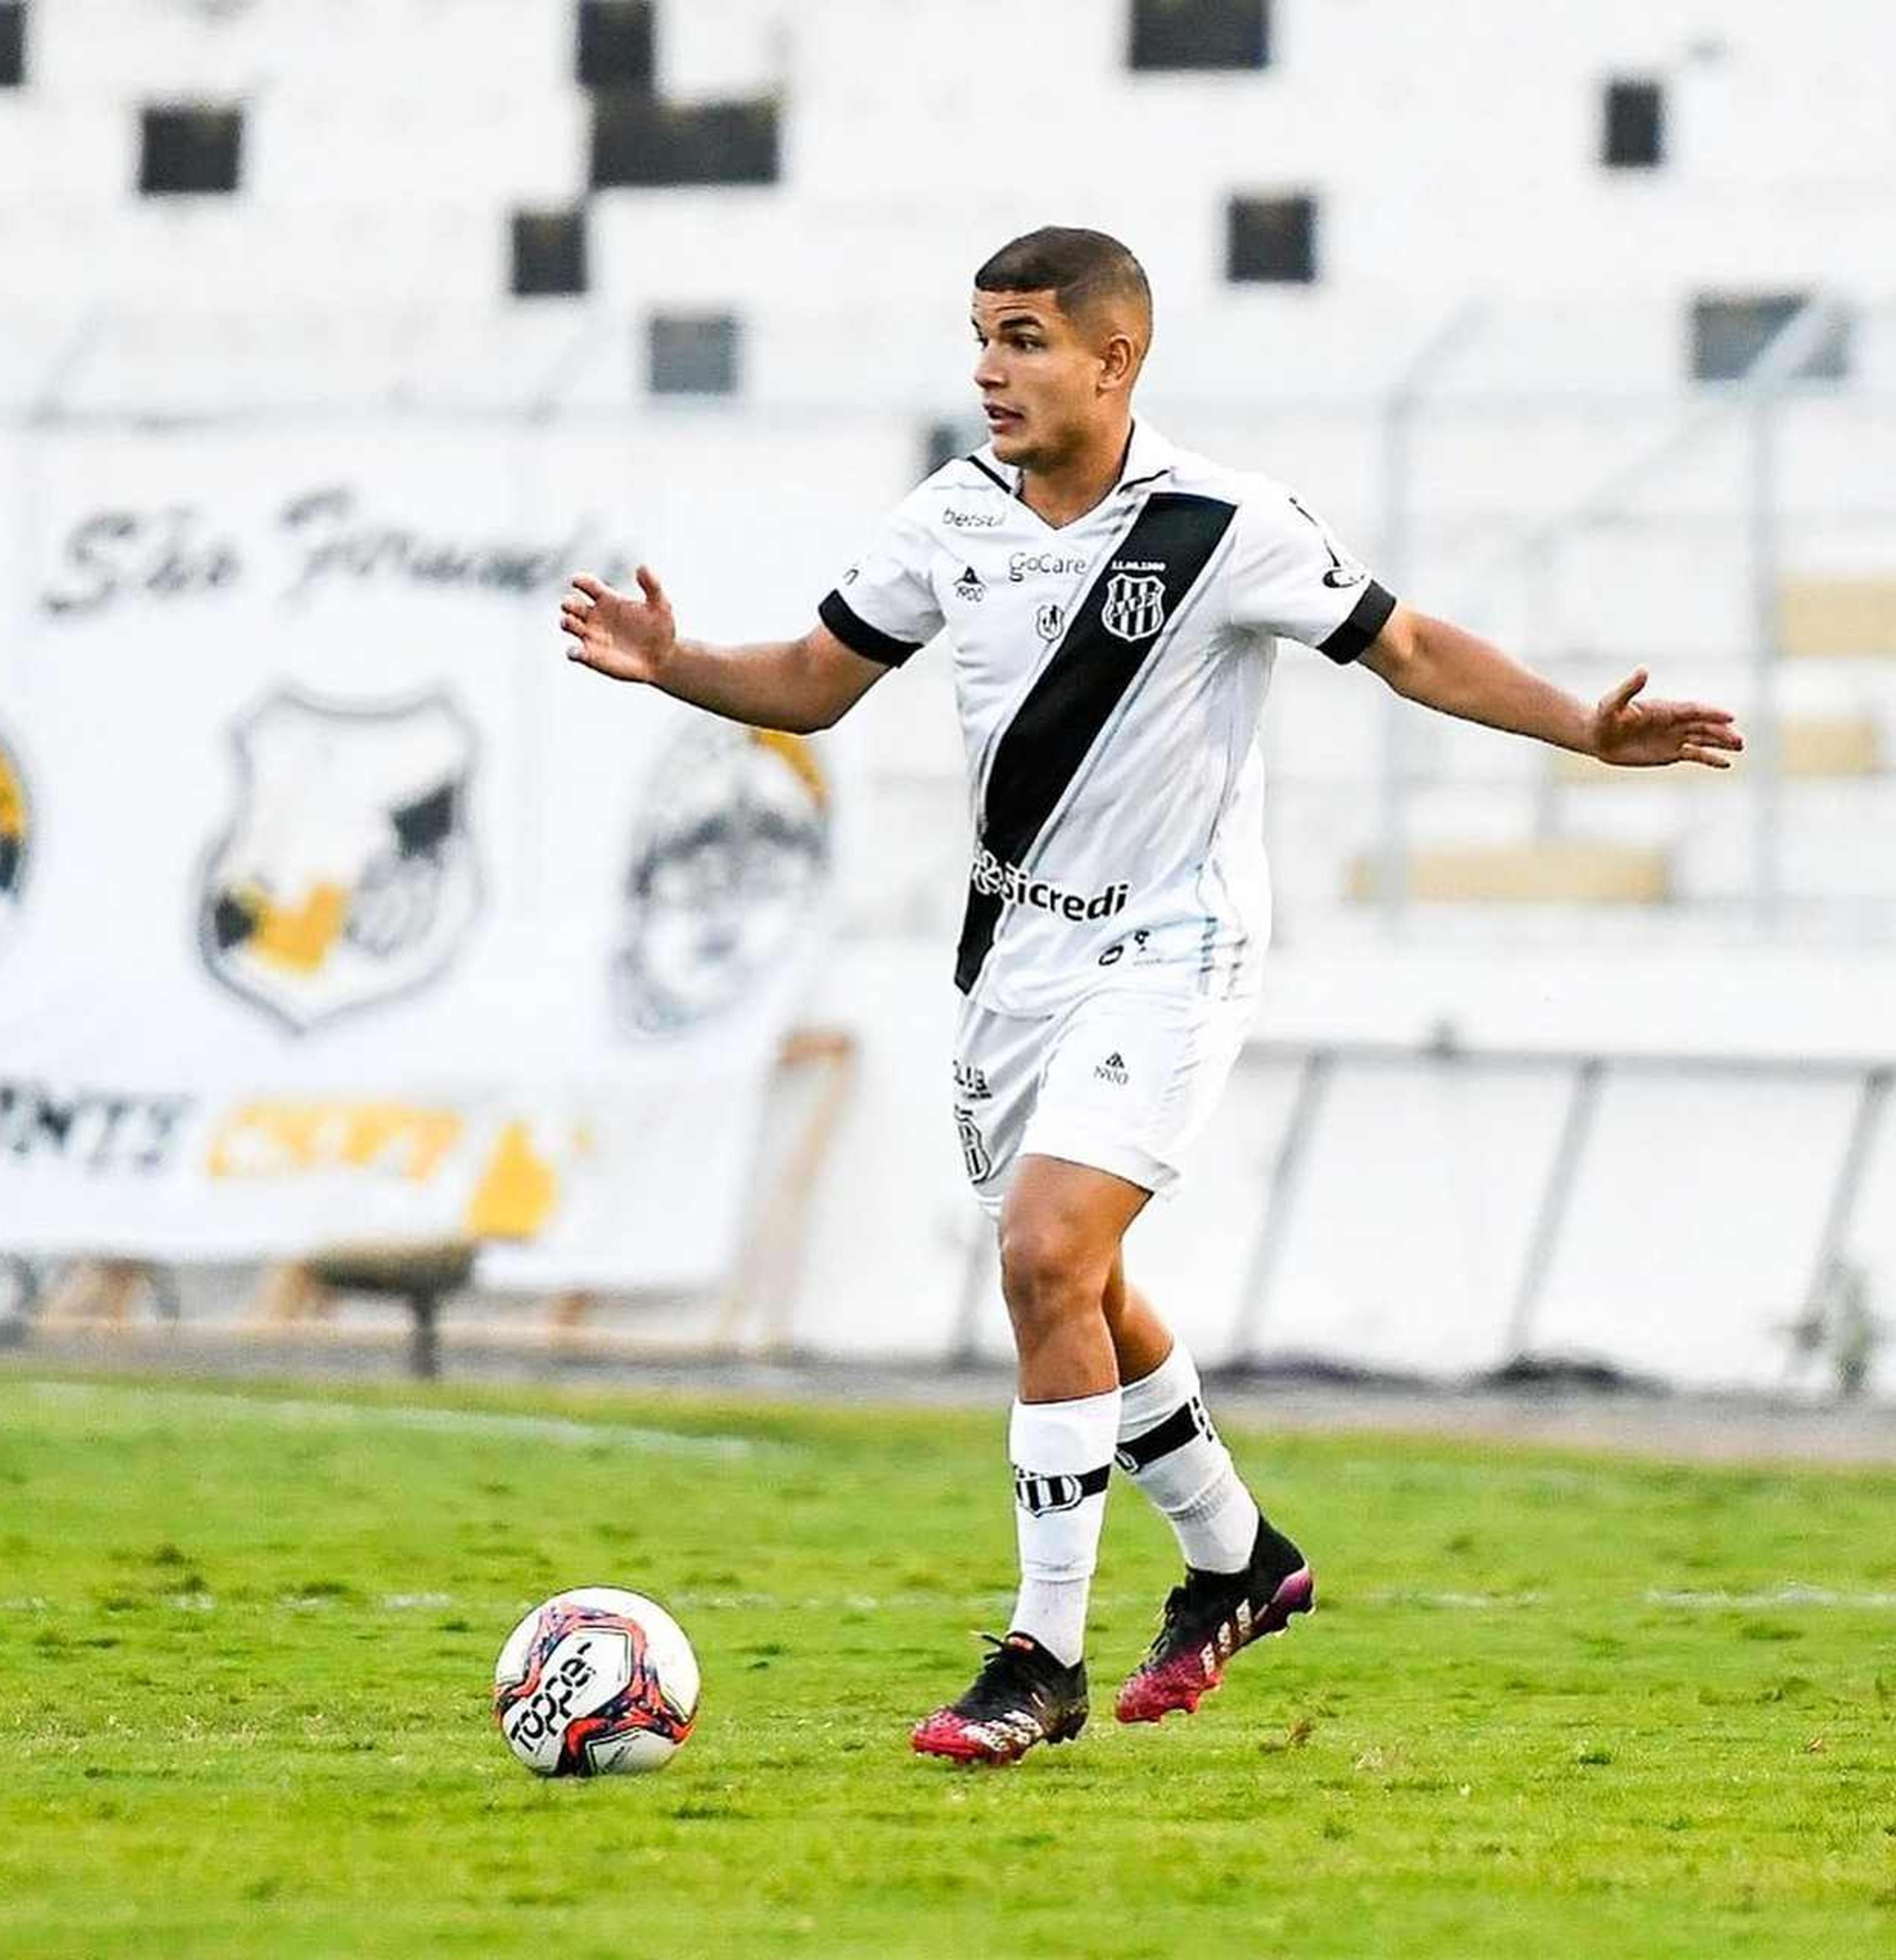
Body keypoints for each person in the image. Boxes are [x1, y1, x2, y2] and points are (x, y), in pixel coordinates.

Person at [559, 226, 1743, 1767]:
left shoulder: (1219, 523)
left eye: (1030, 338)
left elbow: (1415, 650)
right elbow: (811, 680)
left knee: (1049, 1255)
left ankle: (1039, 1658)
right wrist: (678, 664)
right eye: (983, 335)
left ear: (1117, 360)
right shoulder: (950, 518)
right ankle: (1241, 1556)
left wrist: (1583, 727)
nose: (992, 367)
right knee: (1083, 1291)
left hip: (1175, 946)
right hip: (1014, 964)